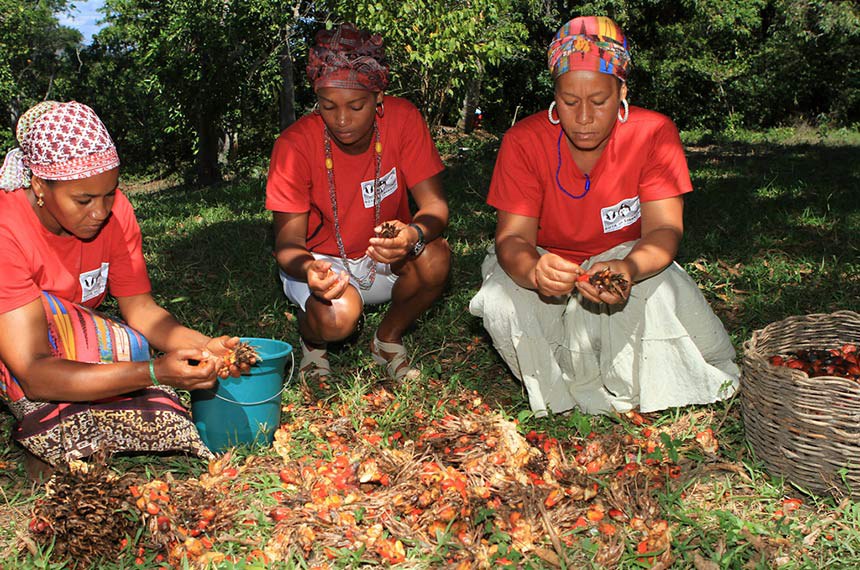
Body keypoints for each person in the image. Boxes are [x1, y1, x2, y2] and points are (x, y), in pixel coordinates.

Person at [469, 16, 739, 417]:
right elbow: (512, 240)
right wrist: (535, 271)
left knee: (674, 308)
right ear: (554, 95)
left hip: (627, 256)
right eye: (569, 101)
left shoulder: (653, 133)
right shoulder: (524, 141)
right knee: (501, 300)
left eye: (599, 101)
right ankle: (567, 382)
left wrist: (628, 268)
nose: (583, 117)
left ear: (622, 90)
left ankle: (606, 373)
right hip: (547, 258)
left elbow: (664, 229)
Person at [0, 101, 250, 473]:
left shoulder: (115, 215)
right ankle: (41, 427)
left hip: (71, 339)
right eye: (83, 200)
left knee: (136, 362)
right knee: (60, 357)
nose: (100, 212)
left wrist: (203, 346)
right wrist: (153, 373)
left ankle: (65, 421)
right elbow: (34, 372)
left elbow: (142, 311)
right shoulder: (7, 230)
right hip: (23, 353)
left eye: (110, 193)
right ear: (39, 185)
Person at [266, 23, 450, 381]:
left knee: (435, 257)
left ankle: (387, 340)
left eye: (356, 105)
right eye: (327, 106)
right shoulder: (294, 146)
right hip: (320, 260)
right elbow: (287, 246)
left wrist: (411, 235)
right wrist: (309, 272)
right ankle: (313, 341)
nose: (342, 120)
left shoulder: (404, 120)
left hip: (385, 257)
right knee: (337, 319)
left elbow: (436, 208)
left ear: (379, 96)